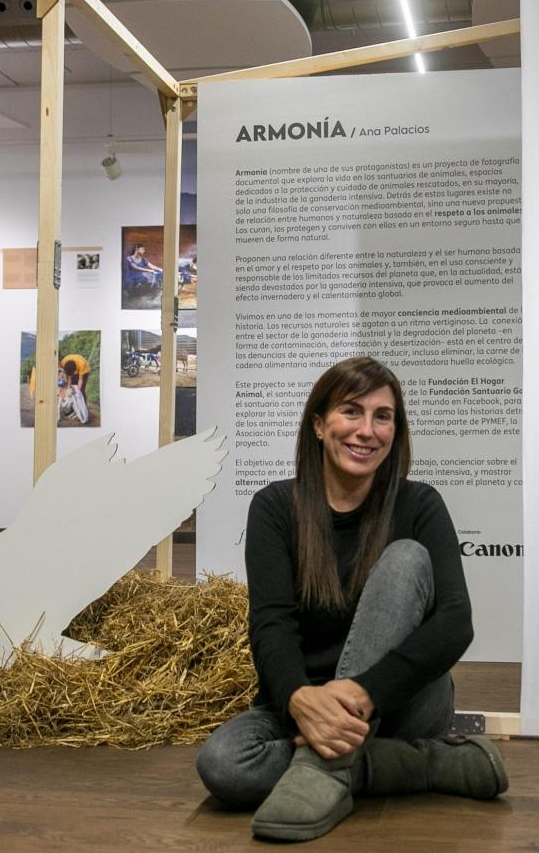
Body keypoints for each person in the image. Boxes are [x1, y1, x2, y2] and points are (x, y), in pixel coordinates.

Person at [195, 357, 507, 842]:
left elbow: (455, 622)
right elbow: (271, 623)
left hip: (402, 700)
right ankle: (429, 765)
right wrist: (300, 699)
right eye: (351, 411)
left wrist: (361, 695)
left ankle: (322, 771)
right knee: (223, 764)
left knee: (406, 559)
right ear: (319, 425)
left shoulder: (419, 504)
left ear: (395, 432)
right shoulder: (275, 507)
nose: (366, 430)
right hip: (307, 701)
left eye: (382, 416)